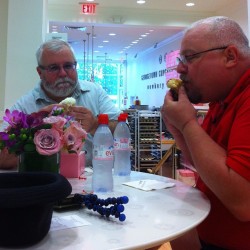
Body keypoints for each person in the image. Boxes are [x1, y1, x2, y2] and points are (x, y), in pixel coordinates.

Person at [161, 16, 250, 249]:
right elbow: (202, 163)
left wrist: (188, 123)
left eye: (189, 57)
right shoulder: (221, 98)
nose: (180, 68)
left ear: (230, 56)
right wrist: (178, 128)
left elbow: (243, 202)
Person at [0, 39, 120, 168]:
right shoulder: (25, 105)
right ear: (40, 73)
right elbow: (2, 159)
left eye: (68, 66)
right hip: (45, 181)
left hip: (92, 180)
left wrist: (95, 125)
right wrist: (36, 124)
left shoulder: (95, 93)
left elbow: (122, 131)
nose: (63, 73)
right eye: (54, 68)